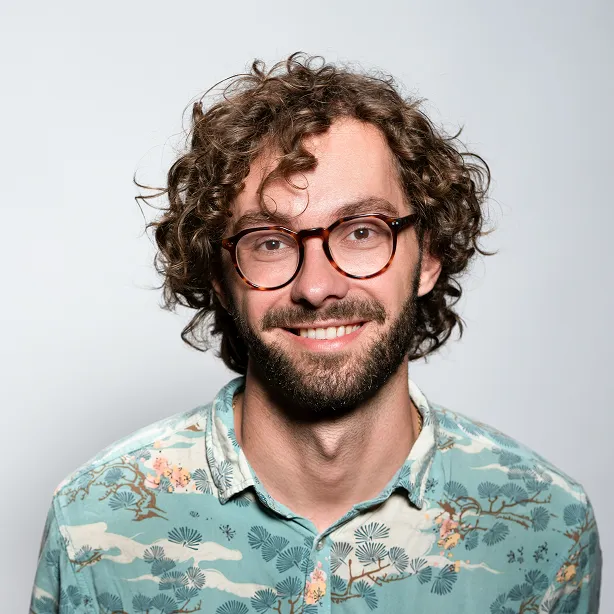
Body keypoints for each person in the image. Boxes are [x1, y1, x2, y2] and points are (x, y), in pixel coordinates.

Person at [30, 52, 601, 614]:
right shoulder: (94, 523)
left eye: (362, 231)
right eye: (271, 242)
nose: (318, 287)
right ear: (222, 280)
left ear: (429, 257)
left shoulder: (547, 527)